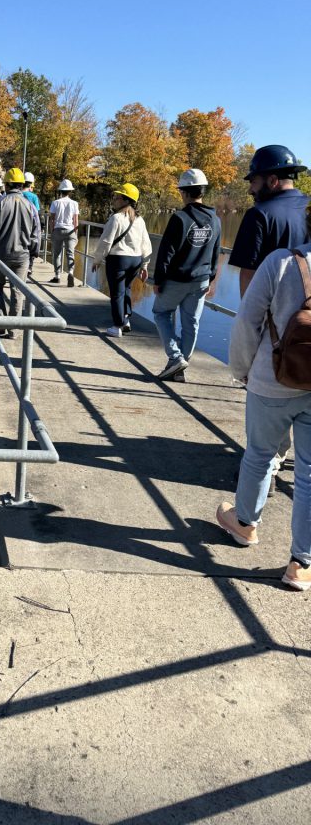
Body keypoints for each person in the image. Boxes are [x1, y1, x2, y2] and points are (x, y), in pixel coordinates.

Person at [215, 200, 311, 592]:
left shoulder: (281, 263)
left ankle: (245, 524)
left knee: (259, 452)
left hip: (272, 381)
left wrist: (242, 371)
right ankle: (301, 563)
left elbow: (247, 323)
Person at [152, 169, 222, 381]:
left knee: (160, 313)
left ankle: (175, 358)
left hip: (177, 279)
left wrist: (159, 279)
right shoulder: (215, 220)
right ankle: (180, 367)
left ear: (183, 192)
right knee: (191, 323)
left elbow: (166, 252)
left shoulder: (180, 218)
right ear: (202, 191)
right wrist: (210, 278)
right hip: (201, 280)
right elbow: (216, 252)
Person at [229, 145, 308, 298]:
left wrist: (249, 320)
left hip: (273, 314)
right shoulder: (309, 209)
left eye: (253, 182)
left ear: (272, 180)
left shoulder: (258, 215)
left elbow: (248, 275)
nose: (250, 190)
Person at [0, 168, 40, 339]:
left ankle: (0, 323)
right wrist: (33, 255)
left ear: (6, 185)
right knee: (18, 291)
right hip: (22, 256)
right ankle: (13, 329)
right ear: (22, 185)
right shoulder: (30, 206)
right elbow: (36, 234)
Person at [93, 183, 152, 338]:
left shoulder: (116, 218)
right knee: (125, 290)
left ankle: (117, 326)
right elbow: (146, 243)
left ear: (126, 200)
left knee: (116, 294)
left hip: (118, 260)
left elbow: (106, 241)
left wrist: (97, 260)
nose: (114, 200)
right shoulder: (140, 220)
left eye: (117, 197)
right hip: (135, 260)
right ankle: (126, 320)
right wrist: (144, 265)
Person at [48, 180, 79, 286]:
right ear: (70, 191)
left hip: (58, 229)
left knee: (57, 254)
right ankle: (70, 272)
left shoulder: (55, 203)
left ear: (60, 191)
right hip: (70, 230)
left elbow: (52, 219)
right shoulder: (75, 203)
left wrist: (52, 230)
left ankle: (57, 276)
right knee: (70, 254)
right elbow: (75, 220)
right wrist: (76, 233)